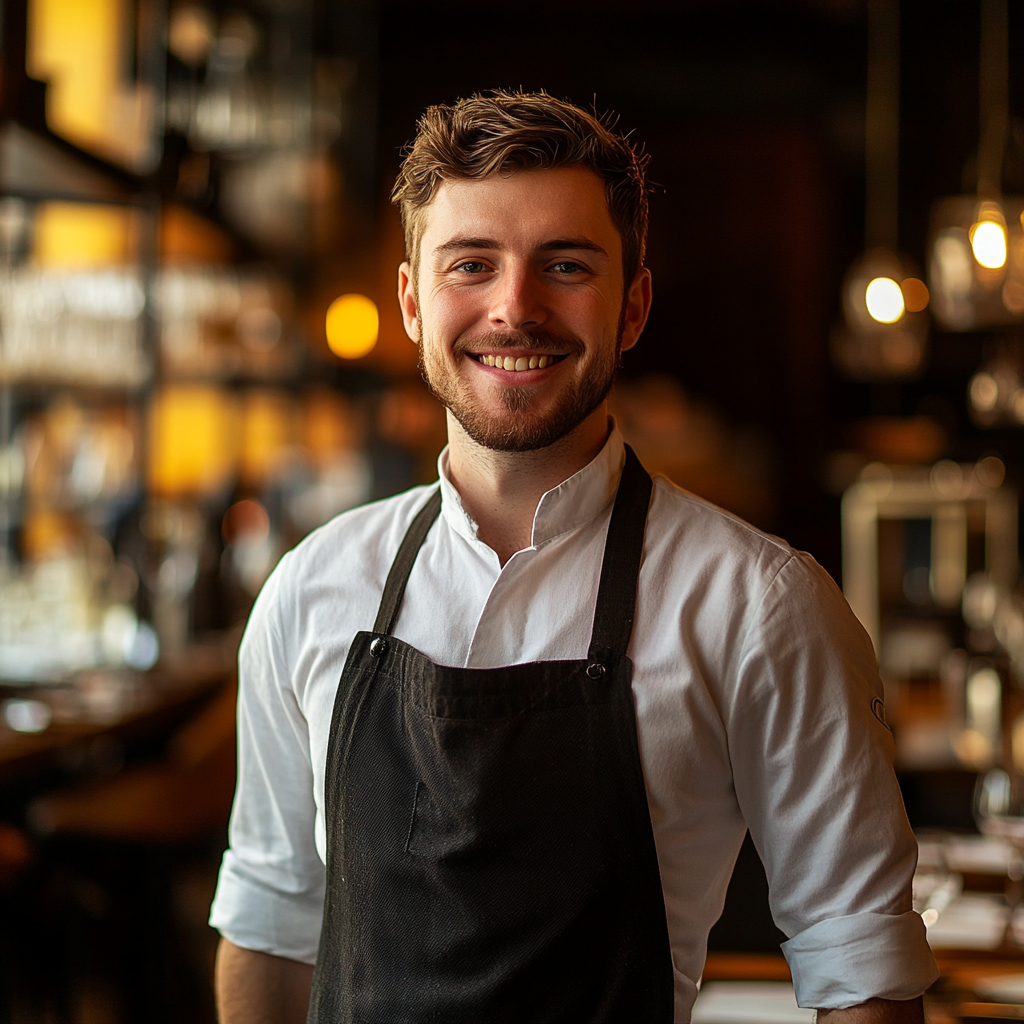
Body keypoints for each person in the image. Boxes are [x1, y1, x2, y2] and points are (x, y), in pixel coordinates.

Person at [210, 90, 938, 1023]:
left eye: (565, 264)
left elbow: (864, 973)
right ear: (411, 303)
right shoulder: (311, 590)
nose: (514, 308)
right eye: (471, 264)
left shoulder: (759, 604)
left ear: (633, 305)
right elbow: (269, 928)